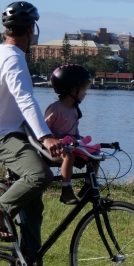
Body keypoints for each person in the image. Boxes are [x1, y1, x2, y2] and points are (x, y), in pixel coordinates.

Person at [0, 1, 74, 266]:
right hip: (2, 138)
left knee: (33, 207)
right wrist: (46, 137)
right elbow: (25, 101)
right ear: (32, 30)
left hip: (15, 136)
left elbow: (22, 105)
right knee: (40, 177)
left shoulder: (3, 54)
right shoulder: (13, 59)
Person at [45, 64, 95, 204]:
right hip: (53, 148)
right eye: (84, 90)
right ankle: (66, 190)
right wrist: (52, 140)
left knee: (95, 155)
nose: (86, 93)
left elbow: (74, 131)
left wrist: (79, 140)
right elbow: (42, 130)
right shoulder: (55, 109)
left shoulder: (74, 110)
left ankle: (88, 187)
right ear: (73, 90)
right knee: (69, 156)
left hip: (70, 145)